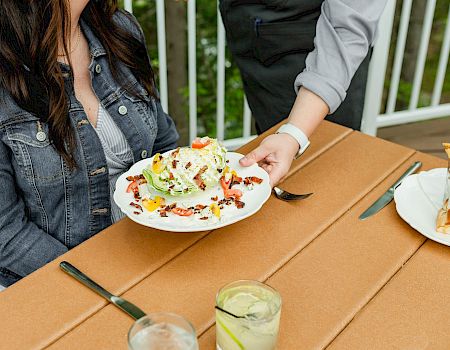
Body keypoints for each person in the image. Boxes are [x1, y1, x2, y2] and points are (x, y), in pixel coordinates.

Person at [0, 0, 178, 286]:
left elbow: (163, 147)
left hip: (155, 249)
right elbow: (5, 234)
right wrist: (98, 278)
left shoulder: (120, 30)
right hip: (61, 283)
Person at [219, 0, 388, 186]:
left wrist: (294, 134)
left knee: (323, 172)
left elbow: (347, 30)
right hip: (253, 38)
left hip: (319, 54)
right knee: (269, 155)